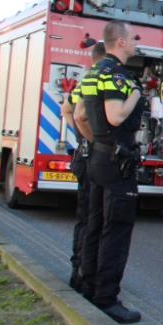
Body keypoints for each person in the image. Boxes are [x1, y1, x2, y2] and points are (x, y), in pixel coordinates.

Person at [74, 21, 146, 324]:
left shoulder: (91, 72)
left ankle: (86, 286)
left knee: (94, 225)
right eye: (132, 38)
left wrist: (97, 143)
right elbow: (115, 116)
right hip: (118, 165)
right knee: (116, 230)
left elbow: (78, 114)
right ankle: (107, 298)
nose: (135, 42)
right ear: (119, 42)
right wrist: (136, 94)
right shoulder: (118, 75)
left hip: (99, 159)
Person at [60, 41, 106, 293]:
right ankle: (83, 272)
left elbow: (67, 109)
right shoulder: (96, 80)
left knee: (83, 217)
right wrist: (92, 139)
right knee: (92, 218)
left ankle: (77, 267)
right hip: (92, 159)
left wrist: (80, 137)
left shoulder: (81, 82)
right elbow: (79, 114)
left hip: (82, 156)